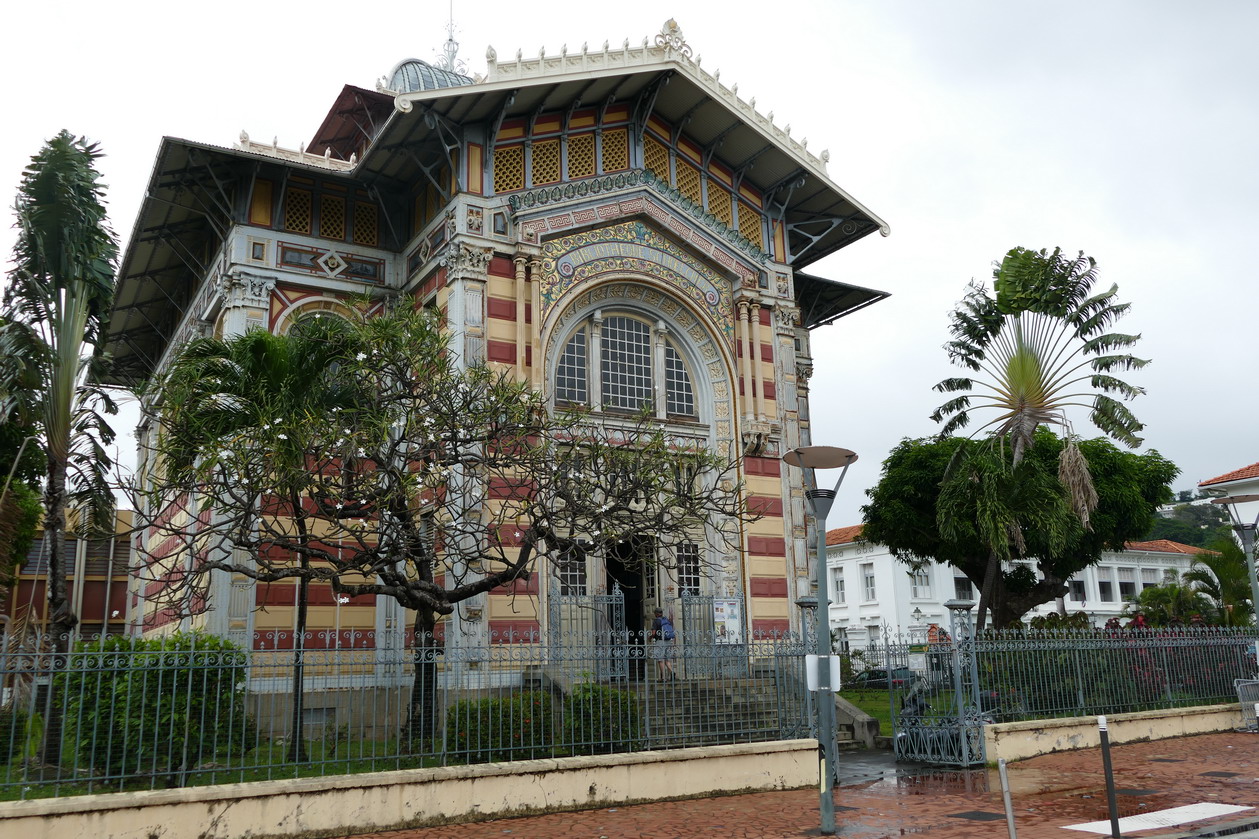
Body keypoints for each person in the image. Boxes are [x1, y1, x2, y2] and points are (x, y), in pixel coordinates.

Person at [650, 608, 676, 682]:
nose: (654, 614)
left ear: (657, 614)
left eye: (655, 613)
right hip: (668, 641)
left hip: (660, 641)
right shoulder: (667, 620)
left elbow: (653, 633)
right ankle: (671, 671)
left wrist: (650, 637)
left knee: (660, 660)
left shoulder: (656, 621)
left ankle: (663, 678)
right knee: (667, 660)